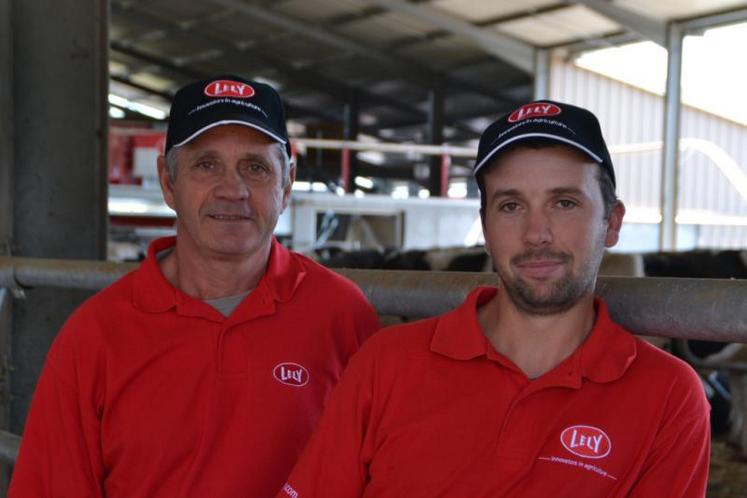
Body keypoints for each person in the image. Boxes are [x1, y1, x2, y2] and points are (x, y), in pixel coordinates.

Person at [277, 100, 710, 498]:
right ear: (484, 227)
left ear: (611, 222)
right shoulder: (386, 363)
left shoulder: (668, 396)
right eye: (510, 206)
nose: (536, 233)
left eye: (564, 202)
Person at [9, 75, 380, 498]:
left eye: (255, 168)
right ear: (169, 182)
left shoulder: (342, 315)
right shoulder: (96, 334)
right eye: (206, 165)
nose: (233, 190)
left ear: (287, 184)